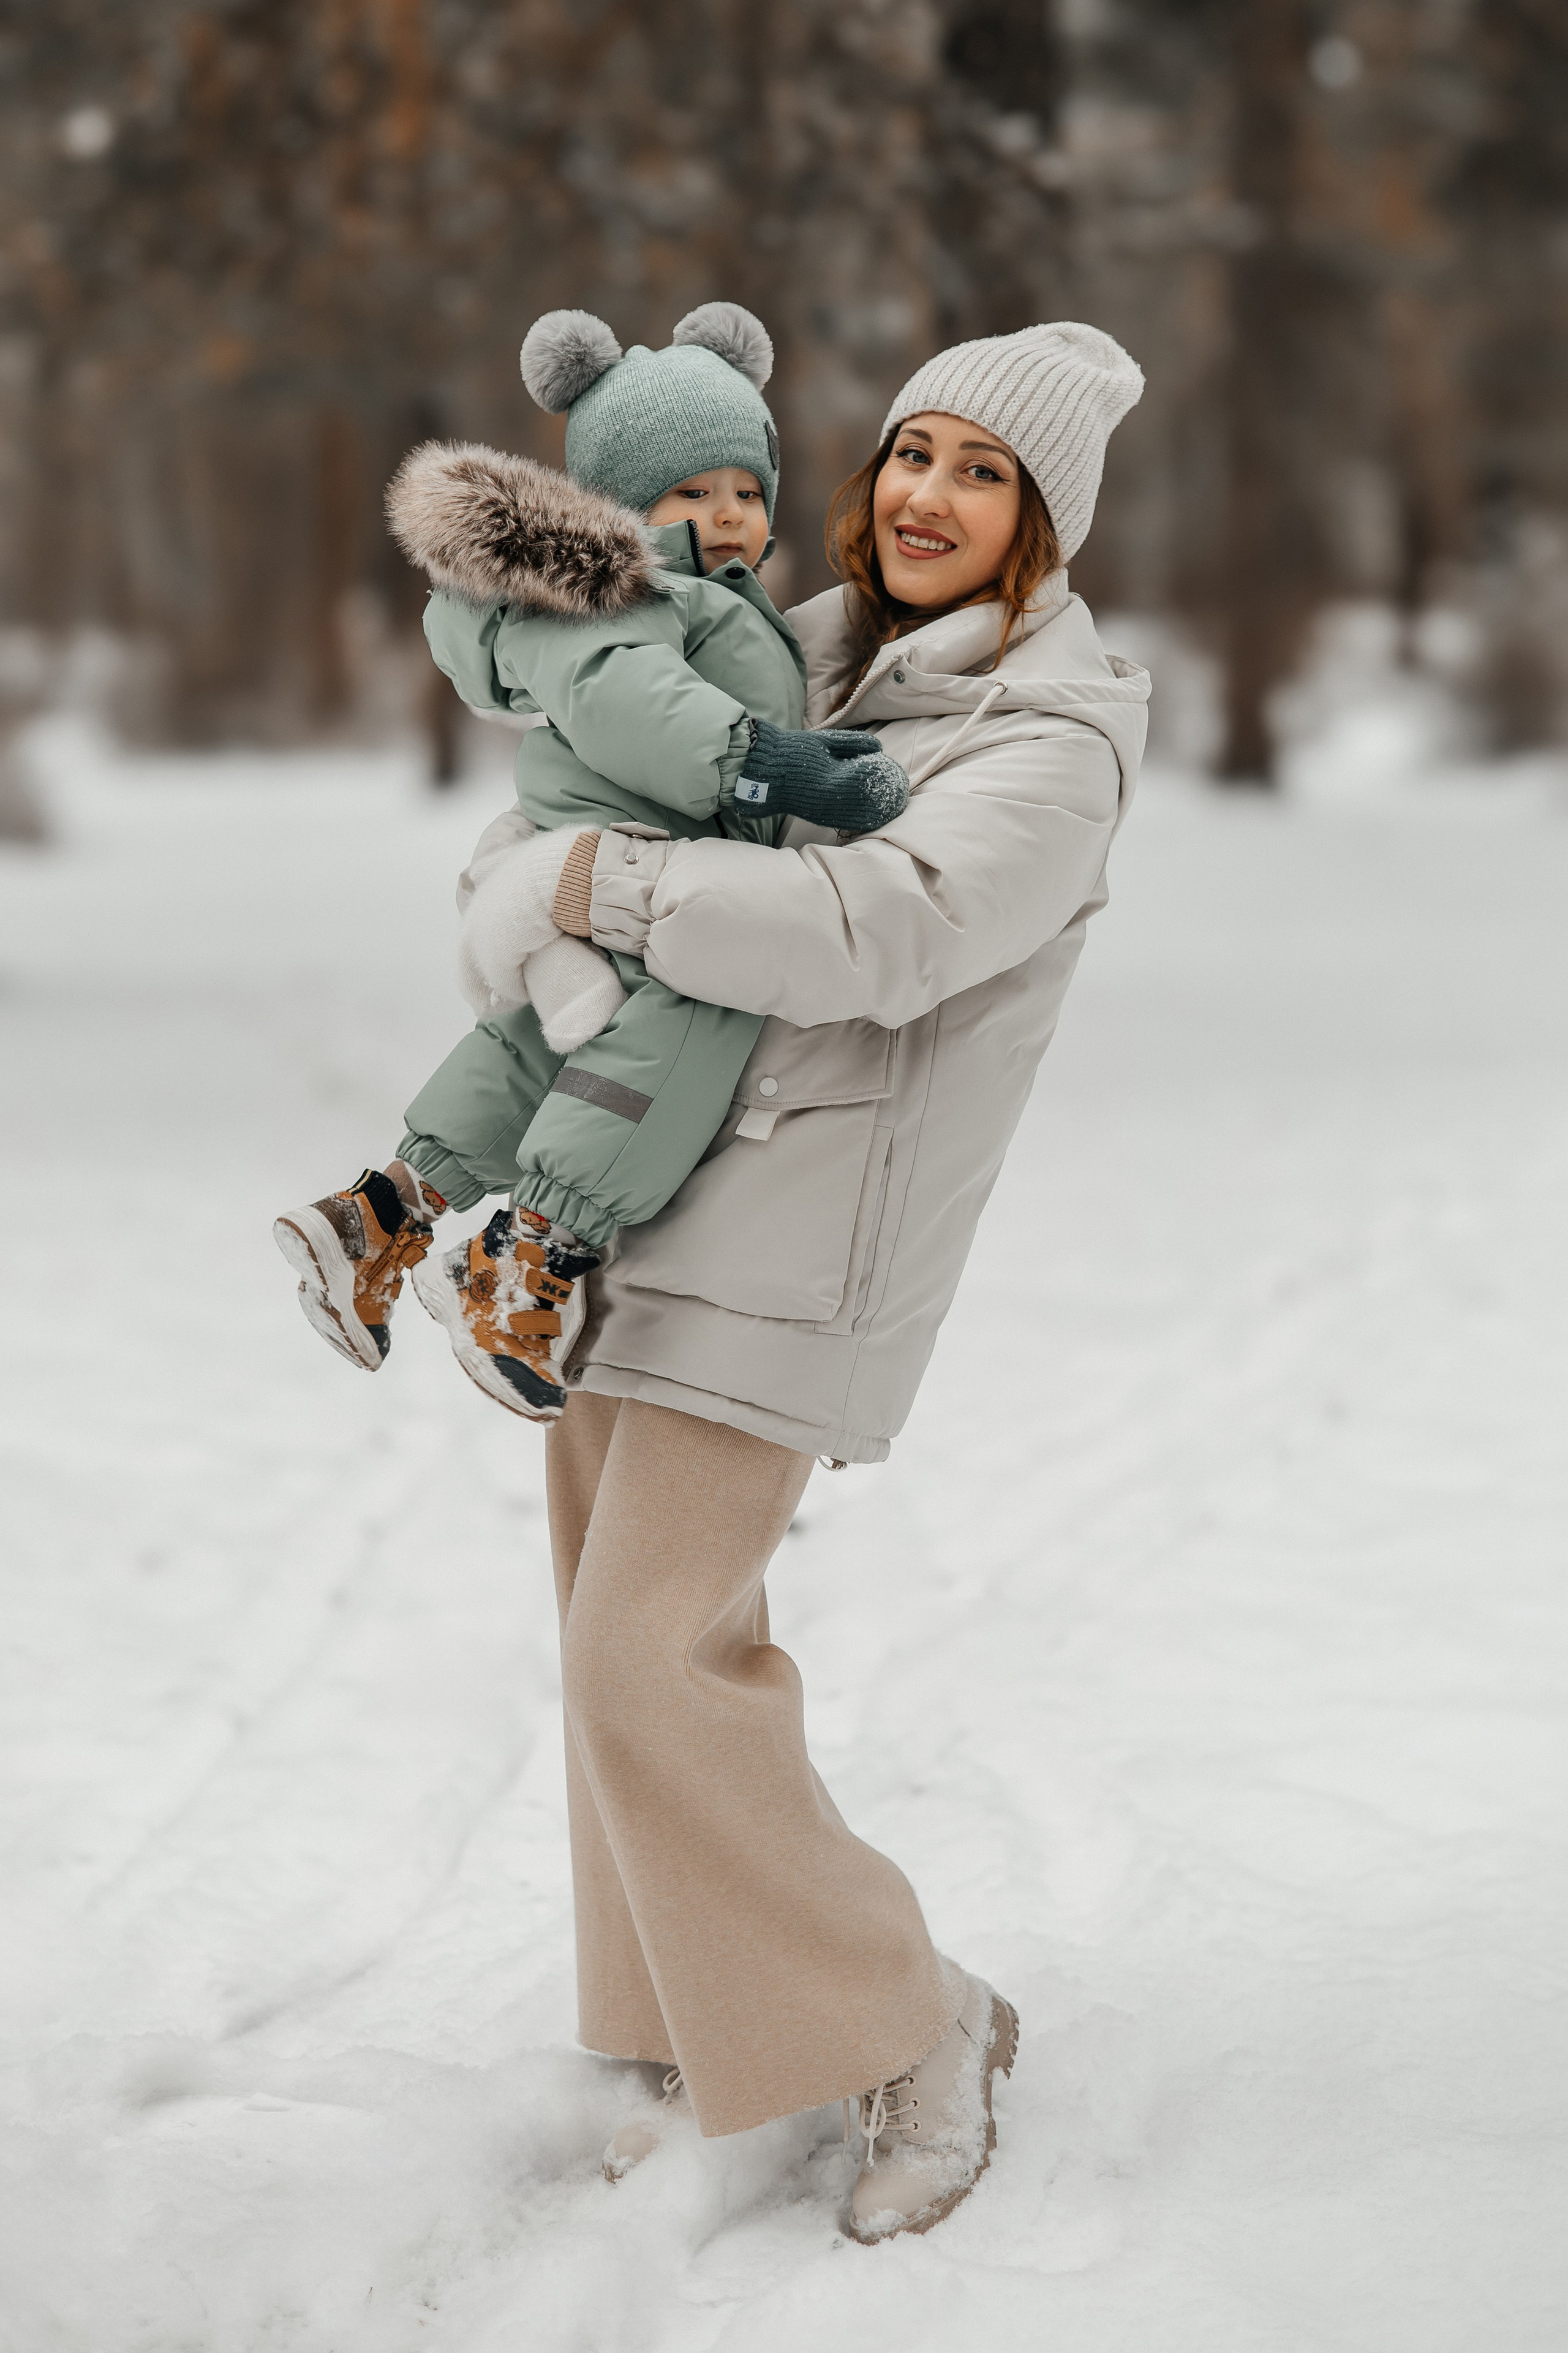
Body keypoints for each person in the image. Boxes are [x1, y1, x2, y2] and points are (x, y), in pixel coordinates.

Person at [464, 321, 1151, 2242]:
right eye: (915, 450)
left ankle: (916, 2018)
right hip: (636, 1201)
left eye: (983, 472)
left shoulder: (1057, 734)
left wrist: (597, 891)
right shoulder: (789, 647)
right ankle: (701, 2021)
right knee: (606, 1632)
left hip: (803, 1250)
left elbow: (883, 926)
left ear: (1044, 523)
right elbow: (561, 784)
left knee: (648, 1660)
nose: (929, 493)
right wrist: (523, 885)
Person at [273, 301, 905, 1419]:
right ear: (624, 508)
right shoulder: (638, 597)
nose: (729, 516)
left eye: (747, 491)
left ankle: (381, 1213)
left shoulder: (668, 597)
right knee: (681, 1033)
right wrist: (777, 768)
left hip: (602, 863)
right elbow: (633, 708)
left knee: (530, 1049)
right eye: (691, 494)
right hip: (641, 856)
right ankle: (530, 1253)